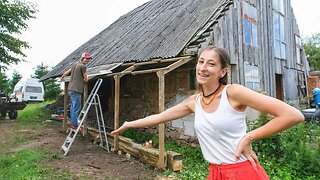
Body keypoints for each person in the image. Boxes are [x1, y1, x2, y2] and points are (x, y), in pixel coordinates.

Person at [111, 45, 305, 179]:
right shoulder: (194, 101)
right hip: (216, 173)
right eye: (201, 62)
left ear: (223, 72)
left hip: (241, 173)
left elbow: (293, 115)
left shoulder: (233, 93)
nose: (203, 68)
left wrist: (249, 137)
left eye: (211, 64)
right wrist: (129, 124)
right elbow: (159, 117)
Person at [60, 52, 91, 130]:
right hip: (77, 90)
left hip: (71, 89)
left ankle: (72, 121)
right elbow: (86, 79)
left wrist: (62, 76)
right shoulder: (83, 67)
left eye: (88, 59)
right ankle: (74, 124)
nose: (87, 60)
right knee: (77, 107)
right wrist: (88, 77)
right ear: (82, 58)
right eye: (86, 59)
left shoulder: (75, 65)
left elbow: (67, 72)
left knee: (73, 106)